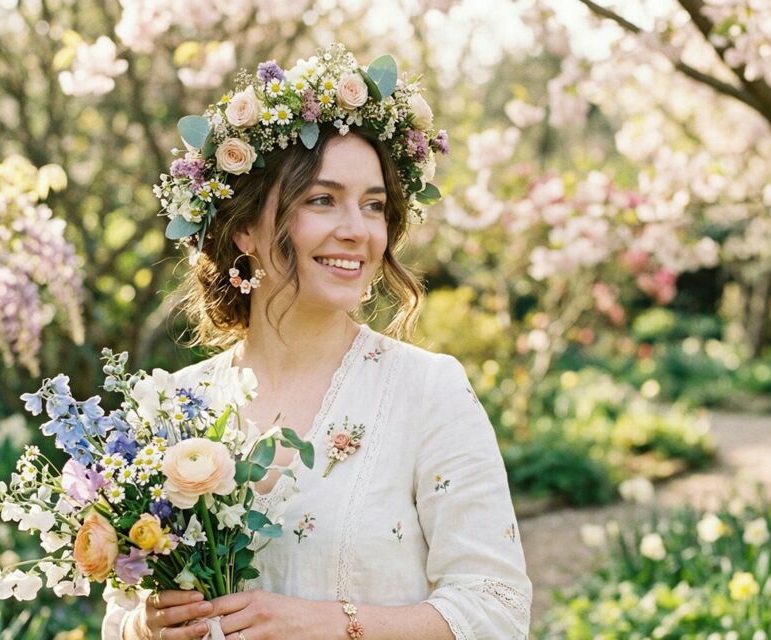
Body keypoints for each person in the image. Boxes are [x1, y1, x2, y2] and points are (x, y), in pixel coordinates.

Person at [103, 43, 531, 640]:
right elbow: (120, 615)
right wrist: (145, 628)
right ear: (244, 226)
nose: (357, 230)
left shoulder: (427, 391)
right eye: (322, 200)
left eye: (374, 205)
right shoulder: (172, 409)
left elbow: (497, 608)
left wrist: (330, 623)